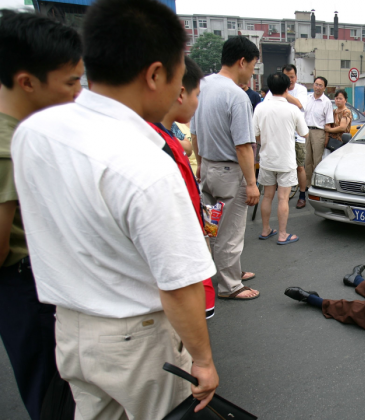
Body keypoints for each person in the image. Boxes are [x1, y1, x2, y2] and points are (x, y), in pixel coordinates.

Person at [11, 0, 220, 418]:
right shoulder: (146, 164)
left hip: (70, 332)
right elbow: (178, 285)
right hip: (137, 343)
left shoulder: (33, 132)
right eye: (180, 77)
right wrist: (203, 360)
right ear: (155, 74)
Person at [0, 10, 82, 420]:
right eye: (70, 82)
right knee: (52, 394)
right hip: (25, 286)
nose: (76, 93)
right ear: (27, 81)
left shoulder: (28, 131)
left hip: (40, 280)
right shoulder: (7, 143)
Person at [192, 36, 260, 300]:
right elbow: (243, 146)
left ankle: (226, 270)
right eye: (252, 67)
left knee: (212, 227)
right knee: (230, 231)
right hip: (230, 173)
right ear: (241, 61)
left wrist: (199, 164)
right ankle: (230, 285)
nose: (252, 73)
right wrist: (252, 182)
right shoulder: (237, 96)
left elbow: (195, 132)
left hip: (207, 167)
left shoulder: (202, 85)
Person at [149, 57, 216, 319]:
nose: (198, 103)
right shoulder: (156, 144)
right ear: (180, 93)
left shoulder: (166, 136)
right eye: (196, 95)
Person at [254, 72, 308, 245]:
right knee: (283, 198)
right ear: (287, 88)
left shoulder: (260, 107)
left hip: (267, 159)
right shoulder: (292, 109)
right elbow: (304, 133)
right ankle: (283, 234)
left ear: (269, 88)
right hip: (286, 160)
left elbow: (254, 135)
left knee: (267, 197)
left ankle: (265, 230)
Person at [265, 64, 309, 209]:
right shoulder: (271, 91)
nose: (290, 80)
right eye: (286, 77)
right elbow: (266, 107)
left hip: (297, 136)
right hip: (278, 137)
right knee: (278, 168)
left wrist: (282, 92)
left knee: (299, 167)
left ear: (296, 77)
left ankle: (302, 195)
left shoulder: (301, 89)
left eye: (292, 77)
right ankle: (283, 194)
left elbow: (300, 105)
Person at [304, 76, 334, 204]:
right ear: (313, 85)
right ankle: (307, 184)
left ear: (324, 88)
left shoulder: (326, 102)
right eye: (316, 84)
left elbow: (328, 123)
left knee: (317, 160)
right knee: (307, 160)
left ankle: (317, 185)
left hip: (319, 132)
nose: (317, 87)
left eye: (320, 85)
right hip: (306, 131)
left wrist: (326, 138)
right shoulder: (307, 98)